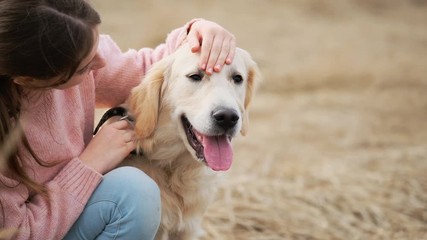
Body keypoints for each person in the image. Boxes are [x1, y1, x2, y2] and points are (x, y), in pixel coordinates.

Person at [0, 0, 236, 239]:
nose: (100, 64)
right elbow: (16, 234)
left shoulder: (74, 53)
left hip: (69, 212)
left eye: (97, 49)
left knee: (132, 188)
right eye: (84, 68)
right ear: (28, 80)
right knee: (133, 192)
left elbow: (147, 70)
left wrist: (196, 35)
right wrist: (89, 164)